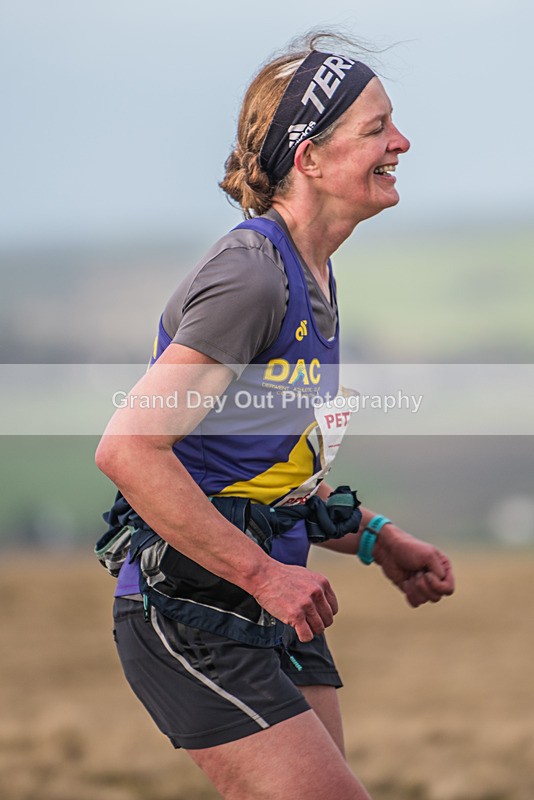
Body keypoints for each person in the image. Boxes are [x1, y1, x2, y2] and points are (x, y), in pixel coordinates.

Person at [95, 31, 455, 800]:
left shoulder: (314, 271)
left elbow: (267, 471)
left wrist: (376, 538)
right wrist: (263, 576)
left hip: (275, 598)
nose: (402, 141)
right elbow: (130, 450)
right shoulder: (252, 277)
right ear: (310, 159)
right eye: (376, 129)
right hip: (192, 607)